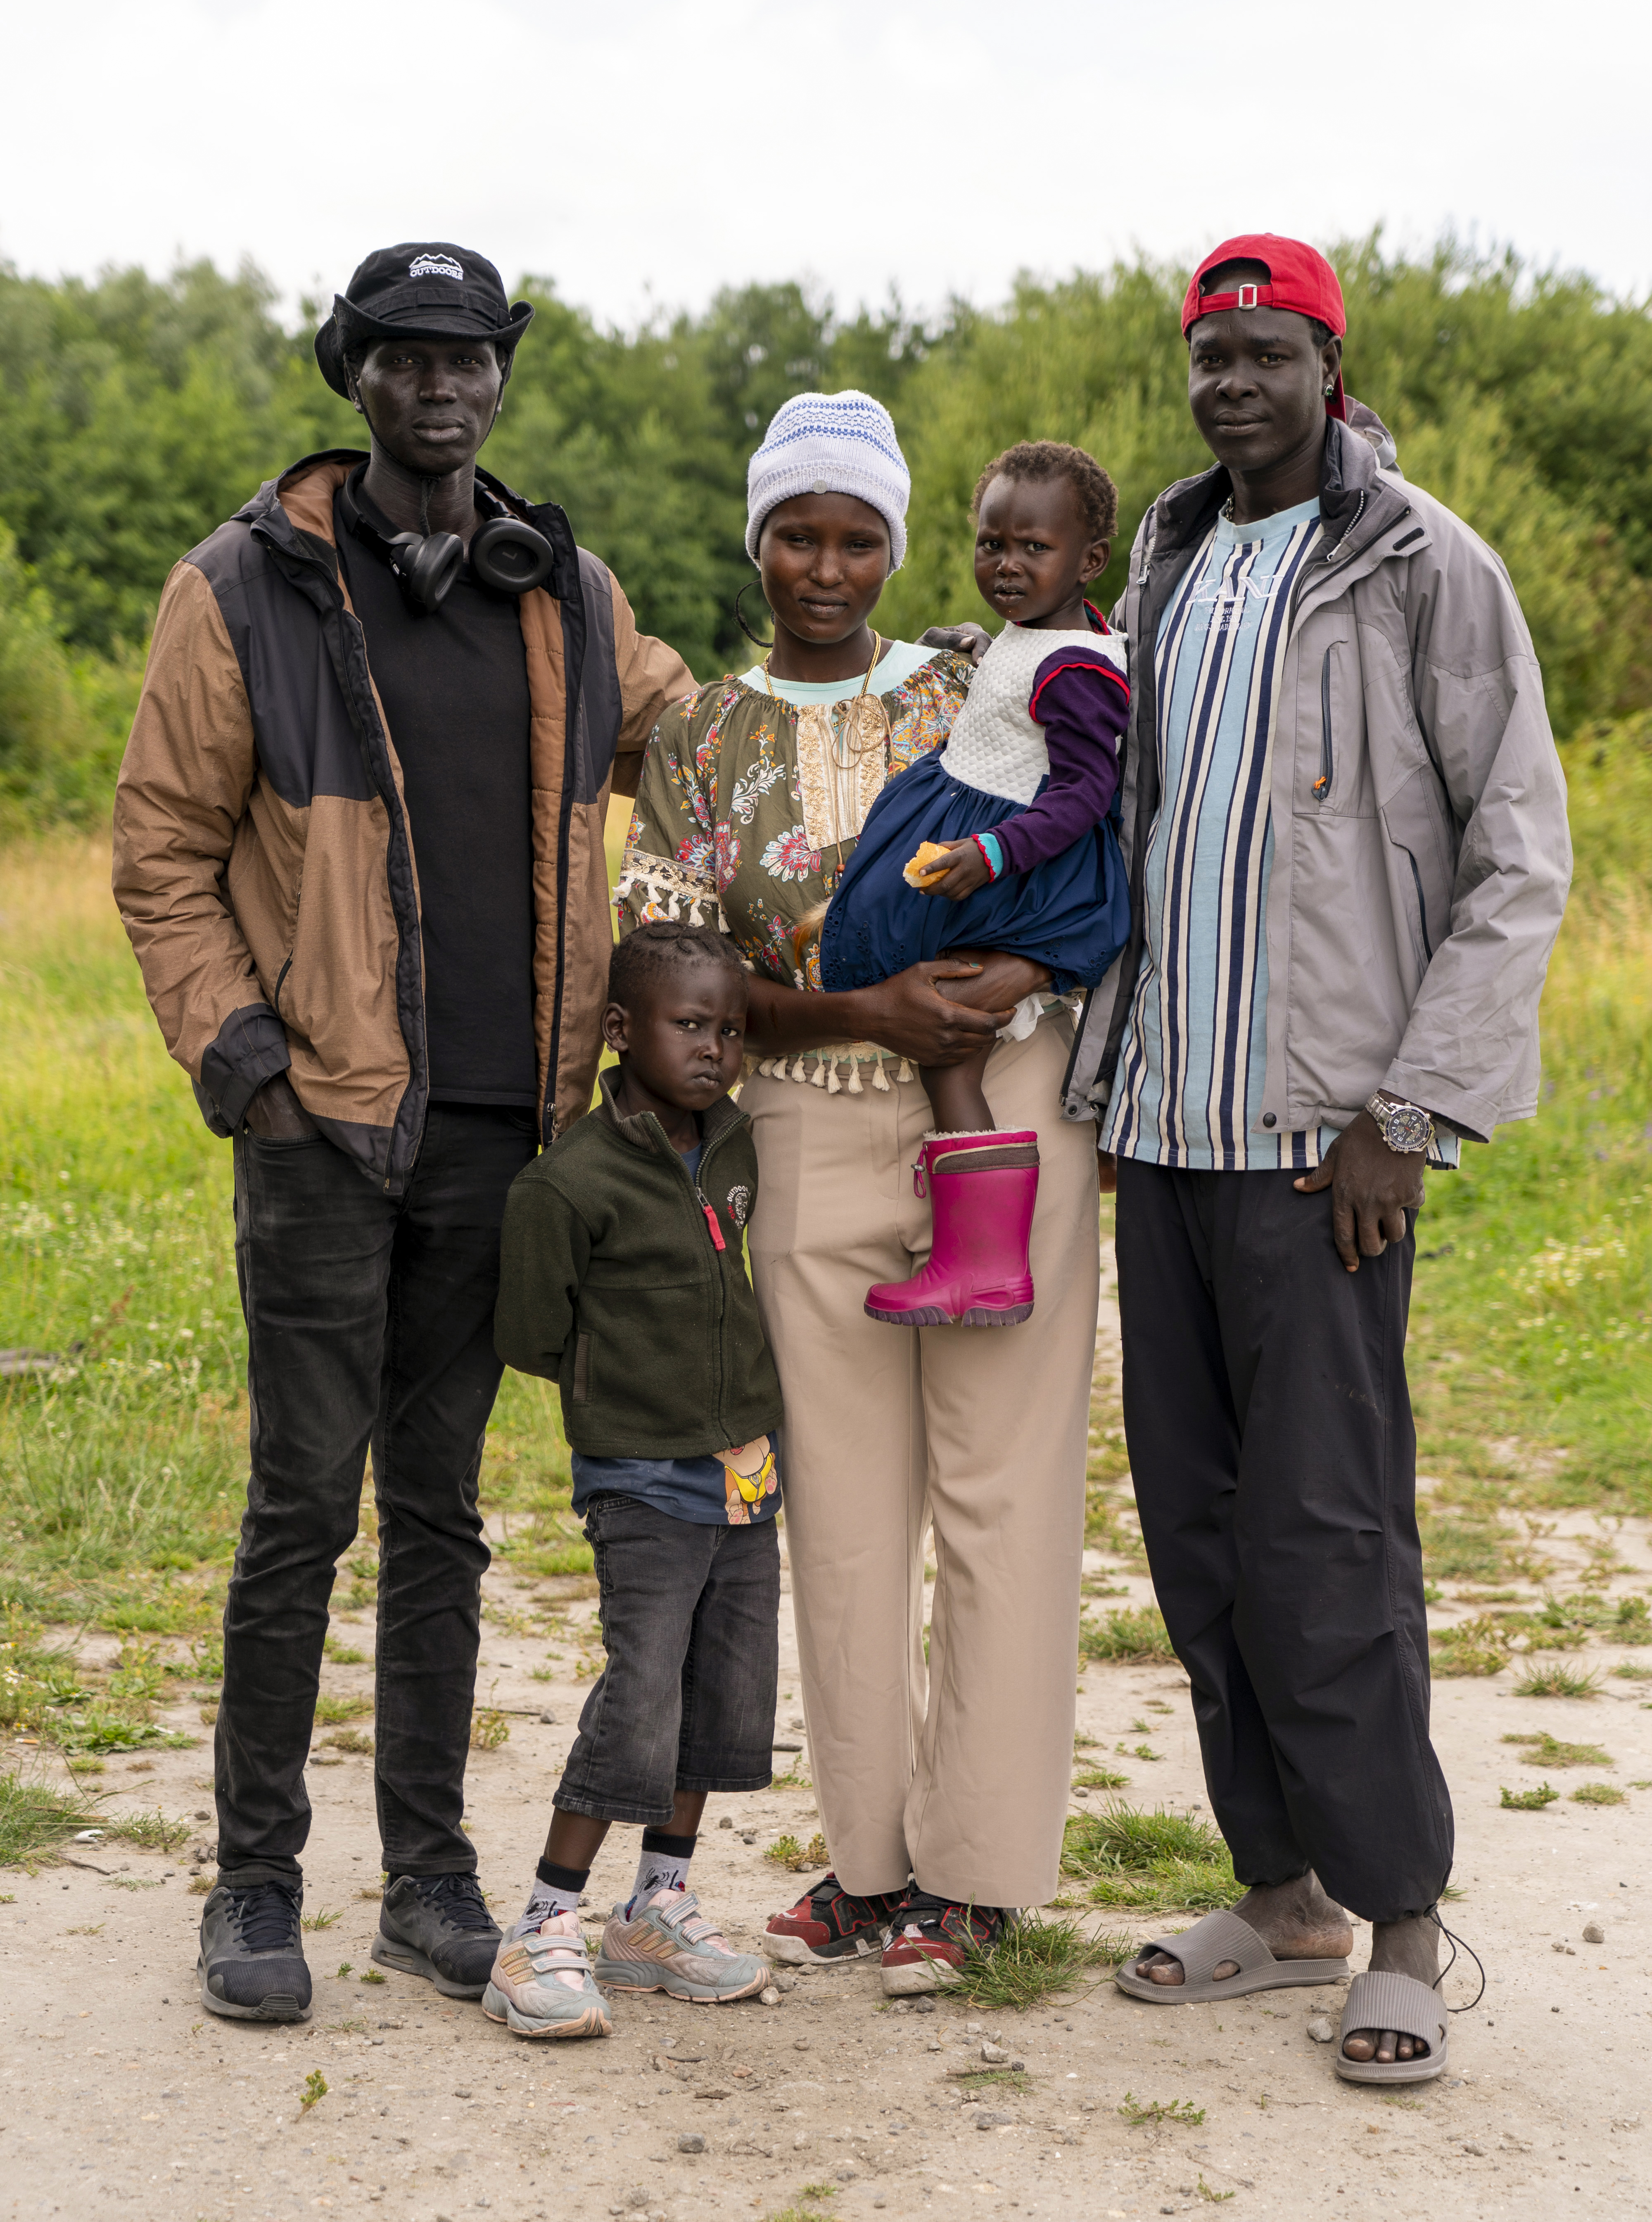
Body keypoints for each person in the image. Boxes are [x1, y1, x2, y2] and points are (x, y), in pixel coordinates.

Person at [111, 241, 695, 2024]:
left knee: (437, 1511)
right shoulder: (242, 589)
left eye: (470, 359)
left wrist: (969, 692)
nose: (441, 386)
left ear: (501, 382)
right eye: (405, 358)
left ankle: (428, 1882)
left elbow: (717, 746)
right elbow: (161, 856)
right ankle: (256, 1888)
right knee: (304, 1505)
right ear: (351, 375)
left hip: (502, 1135)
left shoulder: (567, 597)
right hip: (320, 1132)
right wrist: (249, 1071)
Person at [1063, 234, 1571, 2080]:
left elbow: (1516, 851)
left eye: (1267, 354)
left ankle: (1408, 1925)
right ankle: (1278, 1894)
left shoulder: (1423, 564)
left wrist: (1408, 1111)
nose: (1232, 385)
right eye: (1208, 356)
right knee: (1199, 1539)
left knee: (1326, 1537)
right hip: (1168, 1130)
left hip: (1319, 1150)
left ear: (1326, 367)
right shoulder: (1171, 558)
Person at [618, 391, 1101, 1992]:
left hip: (998, 1113)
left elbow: (1098, 838)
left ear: (899, 546)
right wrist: (859, 1014)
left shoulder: (984, 678)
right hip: (806, 1134)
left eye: (859, 536)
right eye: (797, 535)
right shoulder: (695, 735)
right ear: (756, 542)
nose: (827, 567)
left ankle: (977, 1875)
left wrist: (1003, 979)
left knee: (1001, 1490)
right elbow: (677, 971)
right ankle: (870, 1861)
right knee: (840, 1512)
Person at [488, 922, 781, 2037]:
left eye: (731, 1028)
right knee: (644, 1692)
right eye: (691, 1024)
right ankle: (541, 1925)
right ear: (622, 1030)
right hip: (643, 1479)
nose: (715, 1048)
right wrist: (630, 1391)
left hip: (746, 1470)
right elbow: (532, 1332)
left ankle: (656, 1906)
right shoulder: (570, 1184)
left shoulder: (737, 1145)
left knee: (721, 1688)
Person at [811, 439, 1130, 1324]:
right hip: (995, 844)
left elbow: (1082, 791)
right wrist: (980, 645)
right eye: (991, 544)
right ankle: (974, 1254)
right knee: (945, 1041)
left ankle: (983, 1260)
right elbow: (1020, 694)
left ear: (1088, 559)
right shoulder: (1046, 641)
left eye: (1034, 548)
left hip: (1018, 866)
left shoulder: (1077, 667)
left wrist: (991, 854)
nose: (1006, 563)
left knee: (941, 1030)